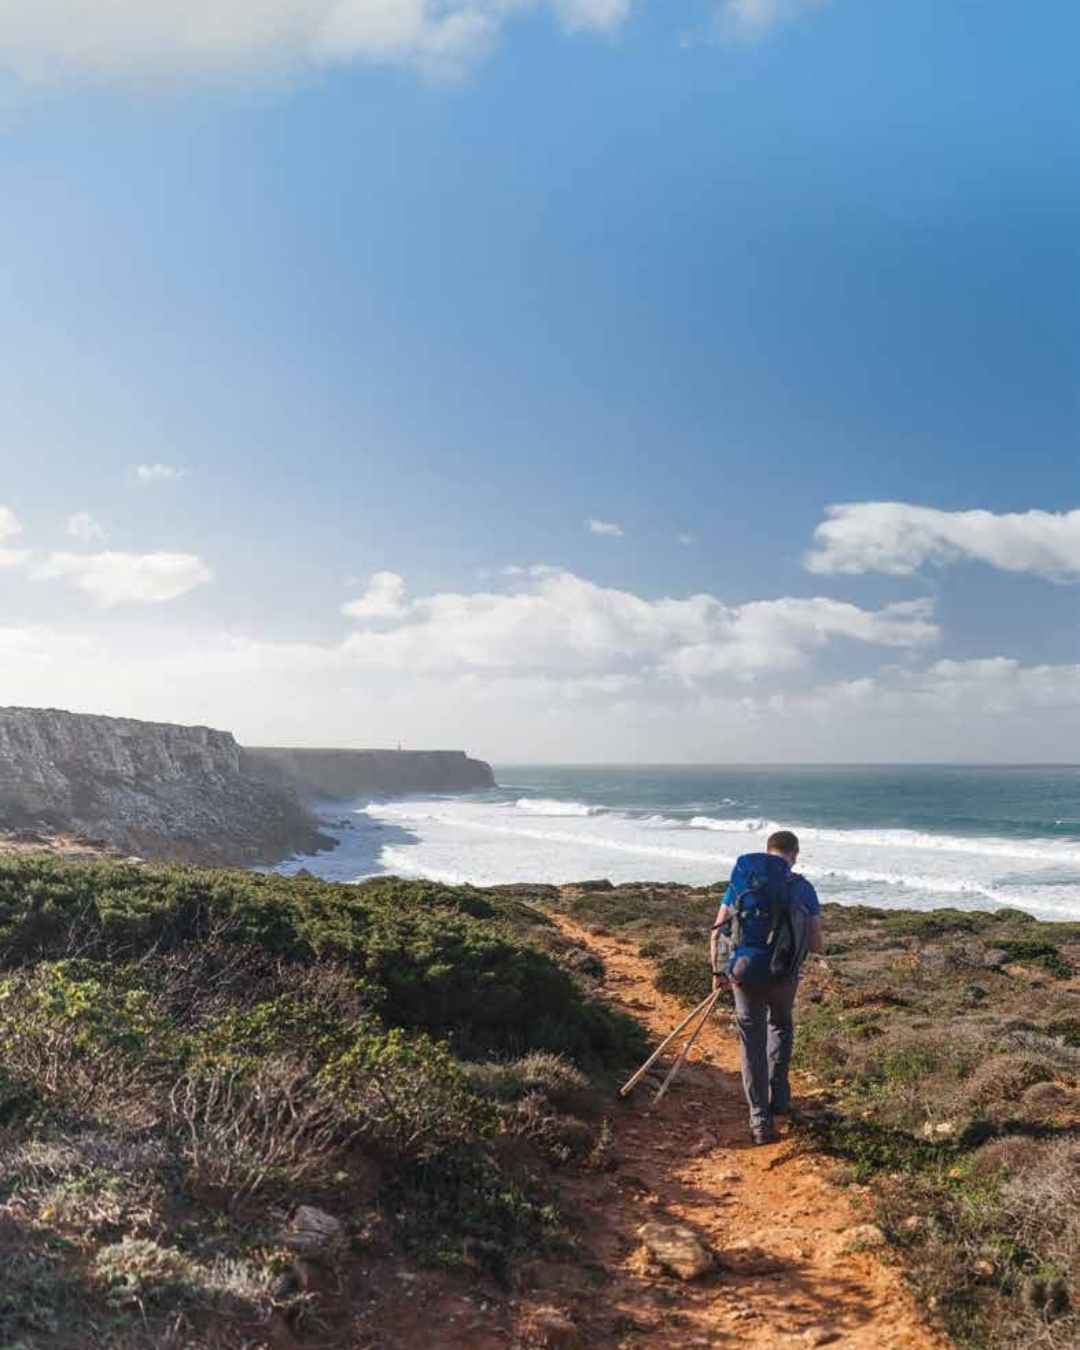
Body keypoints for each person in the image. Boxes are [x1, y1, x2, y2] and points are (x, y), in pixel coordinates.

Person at [709, 829, 823, 1144]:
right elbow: (815, 944)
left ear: (767, 851)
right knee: (781, 1026)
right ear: (794, 855)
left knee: (751, 1043)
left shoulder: (743, 883)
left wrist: (718, 972)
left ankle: (760, 1121)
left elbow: (717, 932)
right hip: (784, 975)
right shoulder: (803, 889)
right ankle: (780, 1098)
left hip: (743, 973)